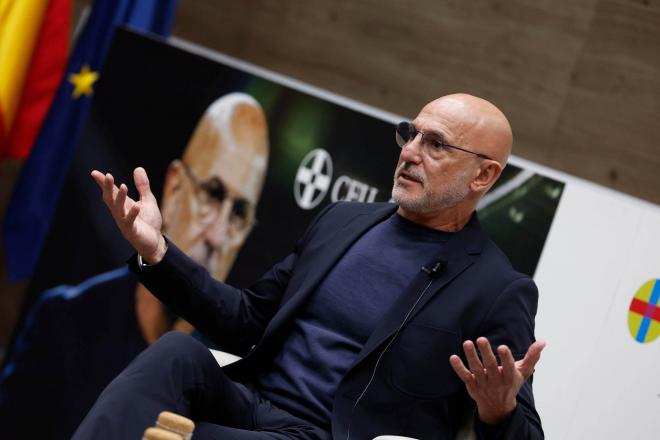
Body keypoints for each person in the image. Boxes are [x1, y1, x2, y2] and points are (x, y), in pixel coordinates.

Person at [76, 93, 545, 440]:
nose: (409, 152)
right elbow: (244, 322)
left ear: (483, 175)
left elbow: (526, 432)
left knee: (162, 435)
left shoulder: (497, 288)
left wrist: (499, 410)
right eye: (411, 133)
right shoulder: (344, 220)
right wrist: (157, 250)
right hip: (251, 404)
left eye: (436, 144)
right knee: (176, 354)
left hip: (323, 435)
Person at [0, 93, 270, 439]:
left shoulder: (237, 385)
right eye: (212, 195)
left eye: (238, 214)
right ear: (173, 189)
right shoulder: (65, 320)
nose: (217, 236)